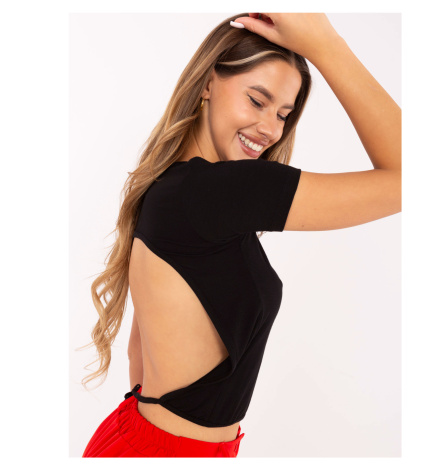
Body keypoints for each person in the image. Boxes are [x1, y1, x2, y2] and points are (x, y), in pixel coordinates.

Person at [79, 12, 401, 458]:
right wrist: (326, 44)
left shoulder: (172, 187)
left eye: (284, 114)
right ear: (208, 83)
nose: (270, 129)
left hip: (136, 437)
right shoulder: (217, 193)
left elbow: (140, 355)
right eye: (256, 100)